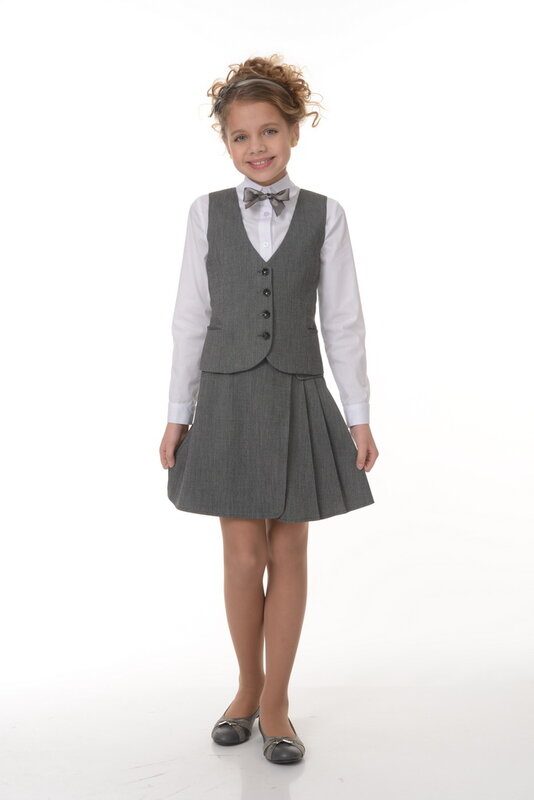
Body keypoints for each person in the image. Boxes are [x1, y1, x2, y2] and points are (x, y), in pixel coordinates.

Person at [159, 54, 379, 765]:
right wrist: (177, 413)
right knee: (241, 551)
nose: (257, 147)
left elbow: (343, 320)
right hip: (226, 396)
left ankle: (277, 702)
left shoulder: (326, 215)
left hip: (295, 392)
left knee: (289, 548)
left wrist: (358, 414)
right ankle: (246, 688)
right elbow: (190, 318)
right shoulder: (205, 213)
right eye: (241, 136)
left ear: (294, 131)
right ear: (225, 142)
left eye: (270, 131)